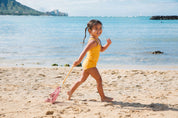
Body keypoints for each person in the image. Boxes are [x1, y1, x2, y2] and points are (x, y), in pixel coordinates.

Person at [67, 19, 113, 102]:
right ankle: (103, 97)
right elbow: (84, 51)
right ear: (90, 31)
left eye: (100, 28)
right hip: (90, 64)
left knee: (82, 80)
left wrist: (108, 44)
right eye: (96, 28)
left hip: (88, 64)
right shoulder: (92, 41)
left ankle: (70, 92)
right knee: (99, 79)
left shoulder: (97, 40)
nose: (99, 30)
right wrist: (78, 61)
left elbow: (101, 49)